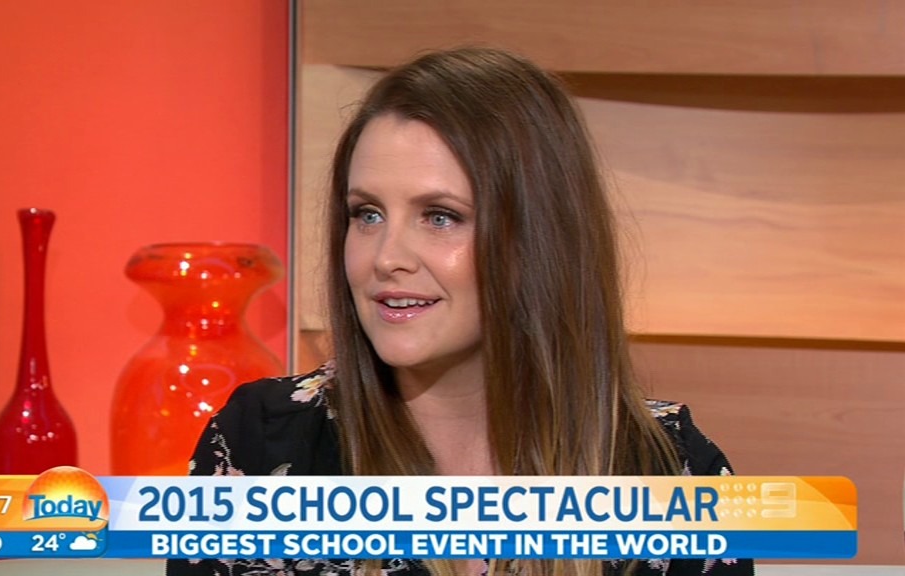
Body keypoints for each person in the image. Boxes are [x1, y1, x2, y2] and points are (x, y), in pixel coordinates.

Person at [167, 47, 753, 576]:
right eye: (368, 214)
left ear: (538, 239)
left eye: (440, 216)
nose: (386, 258)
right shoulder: (258, 446)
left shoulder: (673, 472)